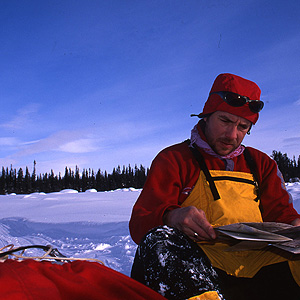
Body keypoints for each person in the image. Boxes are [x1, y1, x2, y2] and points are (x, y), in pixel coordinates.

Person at [129, 73, 300, 300]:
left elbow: (283, 215)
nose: (232, 135)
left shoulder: (261, 164)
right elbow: (141, 222)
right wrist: (171, 216)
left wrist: (294, 224)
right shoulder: (174, 159)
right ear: (207, 116)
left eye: (242, 126)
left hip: (258, 264)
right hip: (198, 267)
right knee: (158, 241)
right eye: (225, 121)